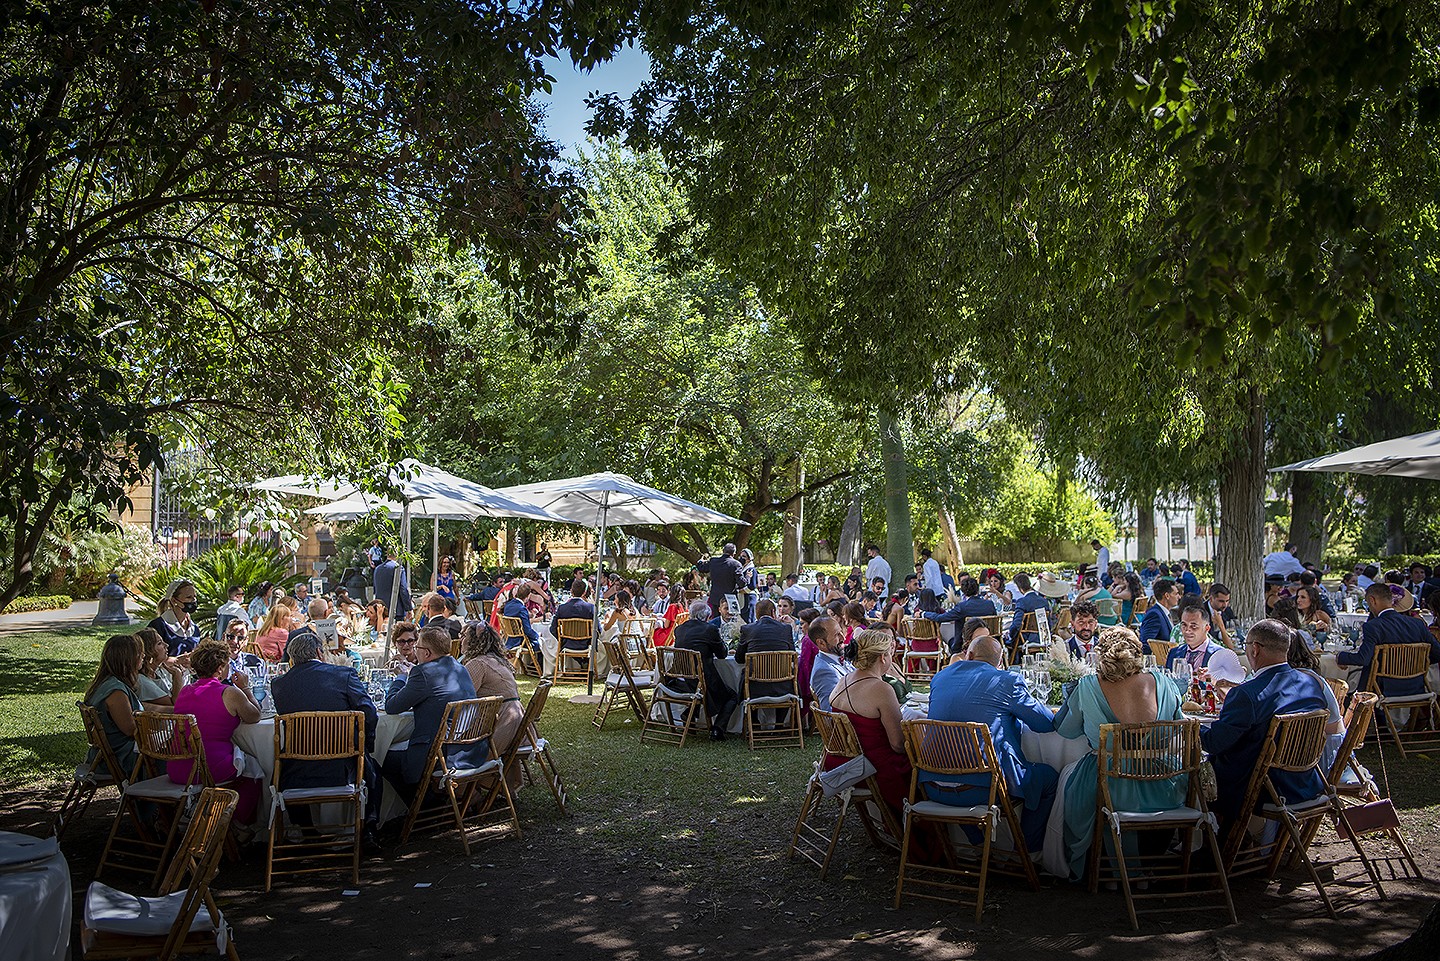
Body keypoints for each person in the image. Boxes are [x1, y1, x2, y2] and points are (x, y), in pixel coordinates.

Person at [1050, 626, 1187, 880]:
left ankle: (1110, 870)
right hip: (1162, 785)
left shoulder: (1089, 685)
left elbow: (1066, 732)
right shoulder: (1165, 683)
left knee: (1066, 778)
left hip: (1108, 784)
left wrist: (1072, 699)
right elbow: (1179, 725)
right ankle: (1146, 866)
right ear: (1138, 654)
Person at [926, 632, 1058, 851]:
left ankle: (980, 847)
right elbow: (1044, 724)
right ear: (1000, 661)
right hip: (983, 790)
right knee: (1049, 779)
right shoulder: (1005, 680)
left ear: (968, 654)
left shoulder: (940, 677)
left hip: (932, 785)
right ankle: (1026, 852)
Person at [1201, 619, 1329, 838]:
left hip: (1260, 787)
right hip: (1305, 780)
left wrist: (1190, 725)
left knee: (1191, 771)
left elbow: (1214, 743)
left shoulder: (1247, 695)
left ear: (1255, 649)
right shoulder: (1311, 684)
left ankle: (1206, 844)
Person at [269, 630, 382, 845]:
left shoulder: (279, 685)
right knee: (373, 768)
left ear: (292, 659)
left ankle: (308, 832)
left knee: (280, 767)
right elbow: (369, 712)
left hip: (297, 771)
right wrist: (365, 745)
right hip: (342, 767)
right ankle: (369, 828)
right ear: (320, 653)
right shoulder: (343, 675)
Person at [382, 627, 484, 804]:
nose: (414, 650)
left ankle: (425, 806)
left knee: (381, 757)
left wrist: (401, 678)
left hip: (440, 755)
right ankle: (436, 801)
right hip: (470, 748)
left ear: (427, 653)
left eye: (417, 647)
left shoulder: (422, 673)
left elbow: (392, 706)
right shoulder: (458, 667)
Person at [170, 641, 263, 828]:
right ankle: (239, 825)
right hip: (210, 768)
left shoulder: (185, 691)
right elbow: (255, 715)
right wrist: (245, 688)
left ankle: (209, 816)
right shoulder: (229, 693)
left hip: (178, 767)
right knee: (257, 770)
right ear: (220, 668)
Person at [824, 629, 911, 816]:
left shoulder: (844, 679)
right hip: (870, 769)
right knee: (922, 766)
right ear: (882, 657)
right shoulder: (881, 689)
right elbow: (897, 745)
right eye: (890, 653)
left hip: (841, 761)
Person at [1337, 582, 1440, 695]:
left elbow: (1363, 659)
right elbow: (1437, 653)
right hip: (1415, 686)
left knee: (1347, 682)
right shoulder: (1417, 624)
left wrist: (1341, 656)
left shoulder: (1373, 626)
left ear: (1372, 600)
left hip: (1382, 689)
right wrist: (1416, 664)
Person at [458, 621, 525, 784]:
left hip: (501, 724)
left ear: (473, 641)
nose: (461, 640)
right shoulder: (497, 660)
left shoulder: (477, 663)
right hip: (518, 721)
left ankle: (464, 789)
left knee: (453, 738)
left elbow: (463, 697)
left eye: (463, 636)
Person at [670, 600, 737, 739]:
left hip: (680, 680)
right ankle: (718, 729)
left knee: (704, 688)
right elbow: (722, 655)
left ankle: (689, 713)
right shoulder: (710, 629)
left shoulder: (680, 629)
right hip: (700, 681)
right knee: (732, 696)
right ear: (707, 617)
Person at [86, 633, 145, 775]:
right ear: (128, 659)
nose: (143, 656)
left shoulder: (107, 684)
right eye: (139, 653)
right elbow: (131, 730)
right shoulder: (115, 692)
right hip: (121, 757)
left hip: (115, 753)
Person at [735, 599, 799, 723]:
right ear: (773, 612)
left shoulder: (748, 629)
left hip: (755, 686)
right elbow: (792, 655)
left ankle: (754, 723)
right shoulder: (785, 629)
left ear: (756, 613)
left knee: (746, 674)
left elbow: (739, 659)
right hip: (784, 685)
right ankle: (780, 724)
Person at [1164, 595, 1246, 680]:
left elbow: (1232, 686)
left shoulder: (1220, 655)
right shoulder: (1174, 653)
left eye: (1194, 626)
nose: (1187, 630)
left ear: (1207, 628)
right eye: (1184, 625)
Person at [149, 579, 203, 658]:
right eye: (189, 597)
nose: (193, 600)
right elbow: (151, 657)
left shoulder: (194, 628)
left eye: (194, 597)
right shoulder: (158, 626)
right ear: (174, 600)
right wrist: (176, 661)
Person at [807, 616, 851, 712]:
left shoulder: (836, 656)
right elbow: (830, 713)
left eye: (841, 632)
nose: (843, 637)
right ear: (821, 643)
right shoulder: (824, 671)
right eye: (836, 635)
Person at [694, 543, 745, 619]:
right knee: (730, 621)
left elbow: (702, 568)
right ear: (733, 554)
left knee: (716, 621)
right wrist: (747, 577)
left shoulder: (713, 561)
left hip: (715, 598)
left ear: (723, 551)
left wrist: (700, 561)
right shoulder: (736, 564)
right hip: (730, 599)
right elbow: (741, 583)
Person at [135, 627, 183, 706]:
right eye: (160, 643)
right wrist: (177, 675)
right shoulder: (142, 681)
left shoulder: (159, 671)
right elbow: (175, 704)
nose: (166, 645)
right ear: (148, 651)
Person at [923, 575, 996, 625]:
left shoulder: (962, 607)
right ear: (977, 590)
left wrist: (923, 614)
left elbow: (940, 618)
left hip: (965, 644)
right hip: (988, 640)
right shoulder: (990, 604)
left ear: (963, 592)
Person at [1007, 572, 1051, 650]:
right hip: (1043, 638)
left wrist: (1010, 634)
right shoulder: (1044, 601)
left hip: (1026, 640)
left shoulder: (1022, 602)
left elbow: (1016, 624)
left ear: (1019, 588)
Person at [552, 580, 597, 651]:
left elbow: (553, 628)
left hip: (567, 644)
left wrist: (561, 640)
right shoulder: (590, 608)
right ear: (584, 593)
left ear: (571, 591)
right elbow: (598, 629)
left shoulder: (562, 608)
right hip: (585, 645)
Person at [372, 548, 414, 622]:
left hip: (381, 608)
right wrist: (409, 608)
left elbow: (375, 589)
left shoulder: (377, 569)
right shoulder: (398, 568)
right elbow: (403, 589)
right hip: (396, 608)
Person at [1137, 577, 1178, 646]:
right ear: (1167, 596)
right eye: (1176, 594)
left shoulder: (1165, 612)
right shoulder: (1154, 614)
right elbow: (1146, 643)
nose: (1179, 597)